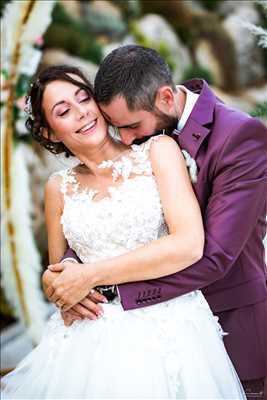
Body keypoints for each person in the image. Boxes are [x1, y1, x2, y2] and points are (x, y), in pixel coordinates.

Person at [1, 65, 245, 399]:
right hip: (88, 346)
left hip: (170, 329)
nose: (82, 112)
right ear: (50, 134)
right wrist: (55, 284)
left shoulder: (158, 152)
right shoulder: (58, 188)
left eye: (84, 98)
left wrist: (88, 275)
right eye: (63, 111)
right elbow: (63, 277)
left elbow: (188, 245)